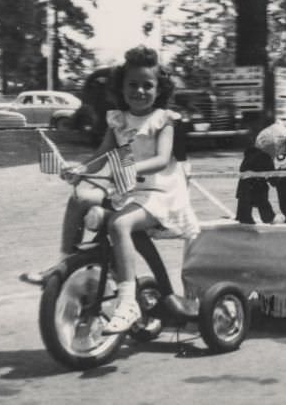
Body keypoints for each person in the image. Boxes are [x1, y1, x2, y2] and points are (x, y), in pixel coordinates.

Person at [23, 45, 199, 333]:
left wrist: (128, 169)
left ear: (159, 89)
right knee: (80, 197)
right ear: (121, 86)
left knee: (119, 224)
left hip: (160, 193)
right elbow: (102, 155)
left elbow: (161, 160)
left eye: (147, 85)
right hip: (131, 190)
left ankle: (128, 303)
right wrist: (80, 169)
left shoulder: (163, 120)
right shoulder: (118, 119)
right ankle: (63, 265)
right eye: (132, 84)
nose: (139, 91)